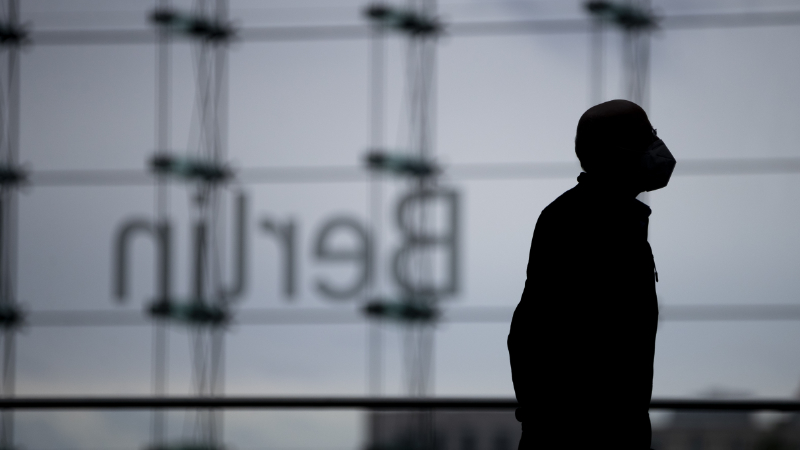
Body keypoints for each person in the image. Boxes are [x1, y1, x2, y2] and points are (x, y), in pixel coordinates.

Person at [507, 99, 676, 450]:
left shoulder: (610, 219)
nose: (657, 147)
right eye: (647, 137)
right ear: (615, 153)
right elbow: (533, 335)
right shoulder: (579, 222)